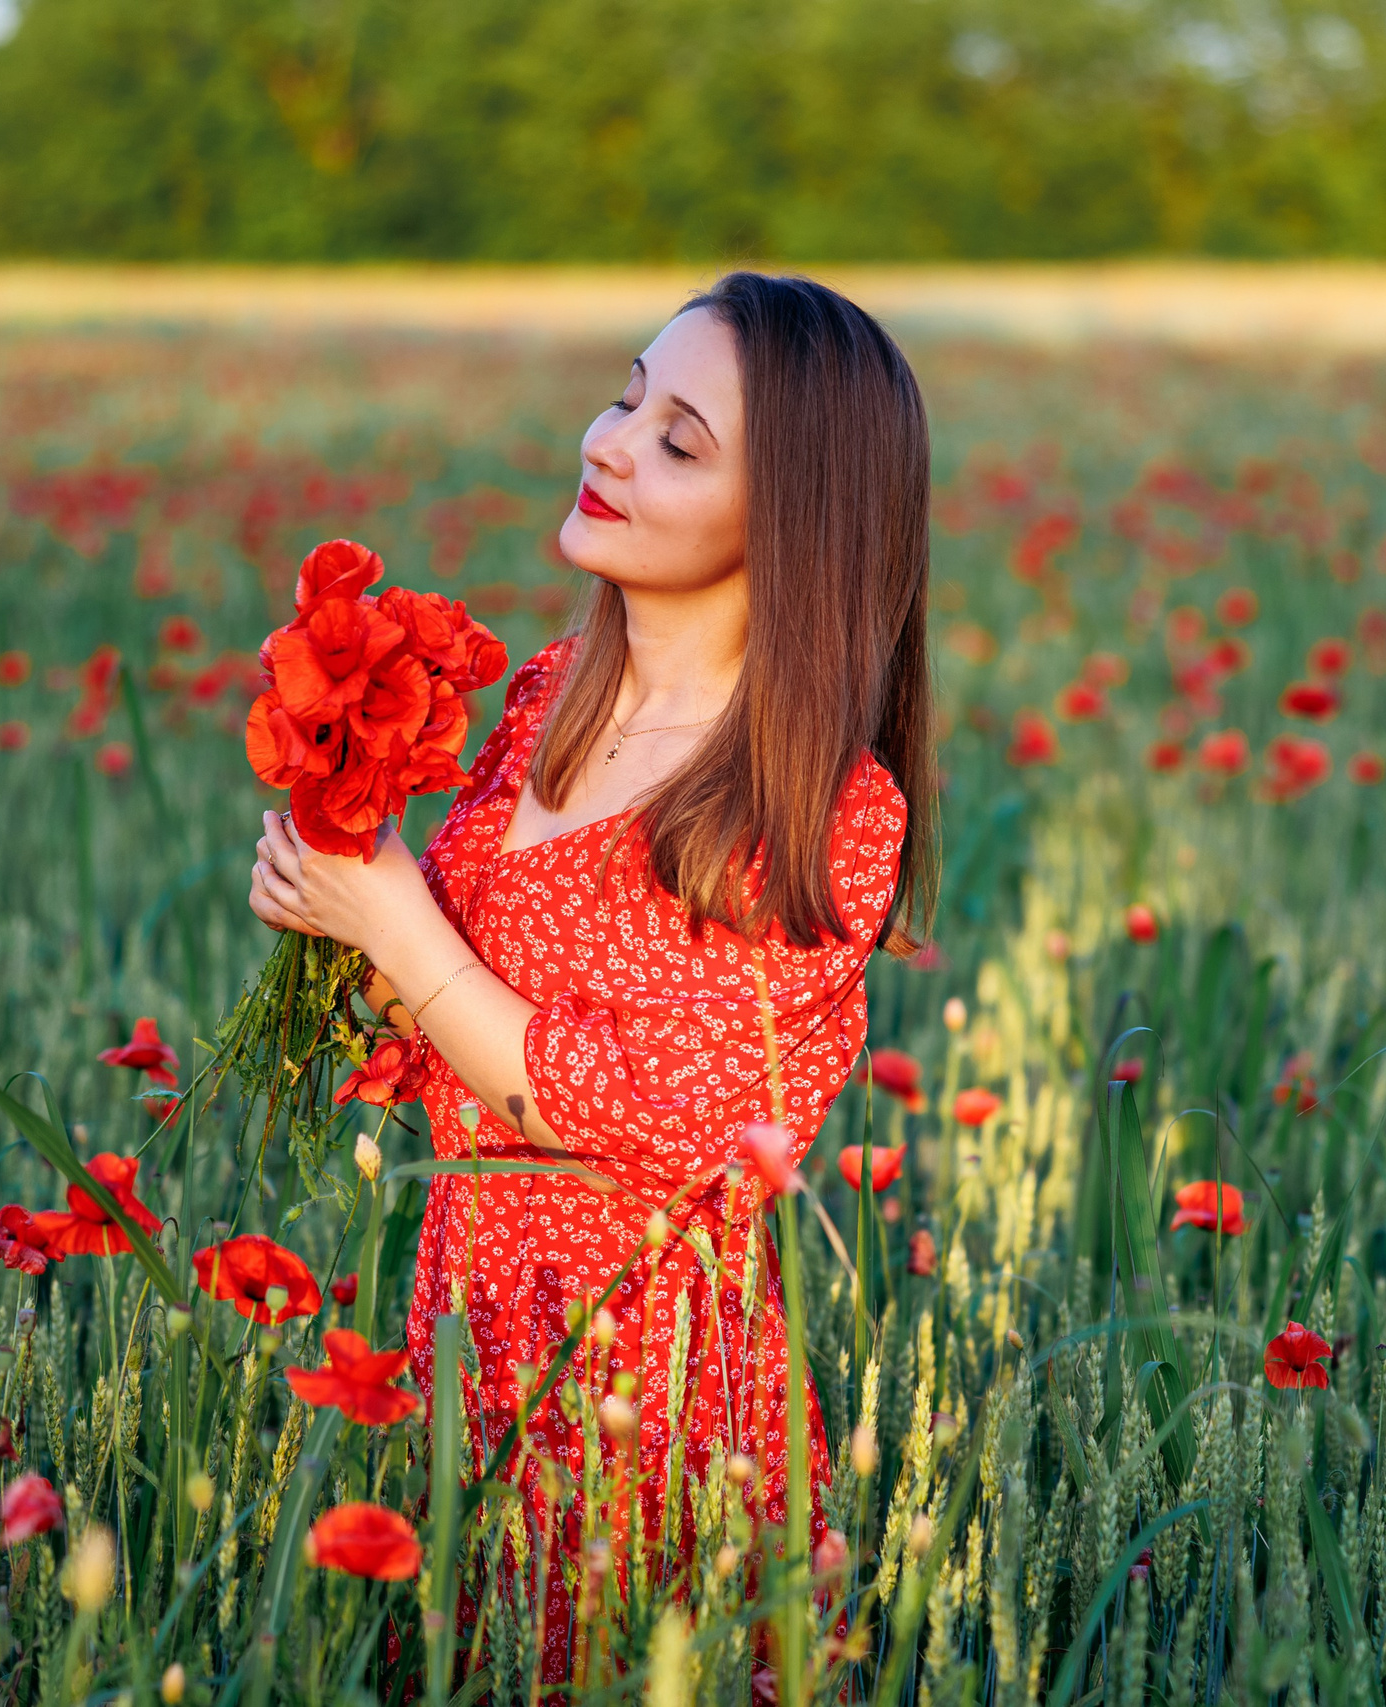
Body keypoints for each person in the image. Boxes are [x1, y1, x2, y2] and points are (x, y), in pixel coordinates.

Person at [247, 271, 935, 1669]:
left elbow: (637, 1116)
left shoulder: (819, 806)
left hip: (654, 1403)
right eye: (628, 393)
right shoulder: (543, 704)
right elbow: (449, 1030)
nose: (608, 442)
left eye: (680, 439)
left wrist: (392, 920)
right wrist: (334, 908)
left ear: (794, 522)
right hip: (464, 1346)